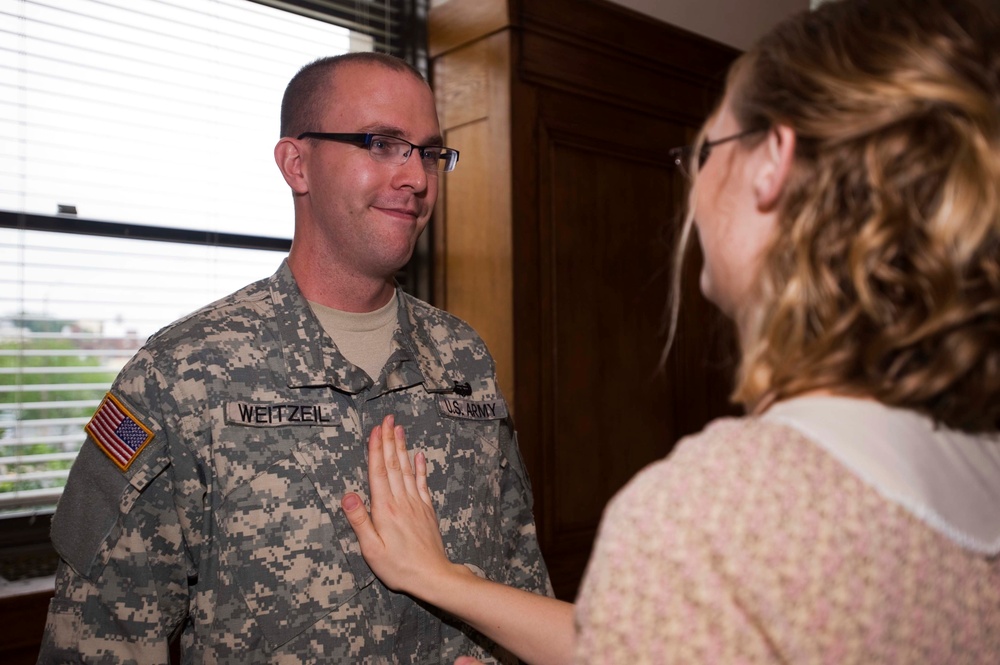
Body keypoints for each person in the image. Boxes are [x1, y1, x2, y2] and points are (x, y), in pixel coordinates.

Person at [340, 1, 1000, 662]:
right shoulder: (978, 462)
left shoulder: (709, 519)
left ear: (772, 161)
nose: (695, 185)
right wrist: (445, 579)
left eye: (705, 151)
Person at [37, 52, 552, 664]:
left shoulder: (463, 359)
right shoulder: (182, 375)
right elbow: (95, 644)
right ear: (296, 164)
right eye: (382, 143)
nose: (417, 177)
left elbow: (522, 582)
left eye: (429, 152)